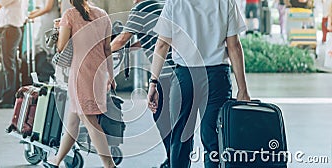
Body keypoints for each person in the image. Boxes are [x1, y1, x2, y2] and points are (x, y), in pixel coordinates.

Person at [147, 0, 251, 168]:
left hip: (185, 78)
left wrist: (153, 82)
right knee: (214, 139)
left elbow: (162, 45)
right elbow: (234, 46)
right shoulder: (225, 2)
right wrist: (243, 90)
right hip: (216, 78)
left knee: (180, 137)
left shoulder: (175, 3)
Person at [44, 0, 116, 168]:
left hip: (80, 75)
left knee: (90, 121)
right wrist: (110, 76)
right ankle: (56, 160)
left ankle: (109, 165)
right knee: (73, 122)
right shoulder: (103, 15)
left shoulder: (69, 15)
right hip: (98, 73)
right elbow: (107, 49)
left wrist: (59, 28)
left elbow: (61, 46)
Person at [111, 0, 173, 167]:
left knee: (161, 117)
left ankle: (174, 161)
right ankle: (174, 159)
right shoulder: (161, 3)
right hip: (180, 69)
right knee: (174, 120)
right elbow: (149, 38)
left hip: (165, 71)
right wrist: (130, 48)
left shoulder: (141, 7)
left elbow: (122, 39)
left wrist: (100, 52)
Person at [0, 0, 25, 108]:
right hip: (9, 30)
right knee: (11, 64)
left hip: (10, 30)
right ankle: (12, 97)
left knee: (8, 65)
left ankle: (8, 98)